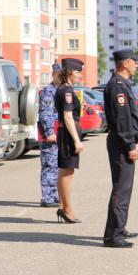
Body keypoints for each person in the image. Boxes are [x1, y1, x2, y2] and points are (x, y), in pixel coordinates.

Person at [103, 48, 138, 248]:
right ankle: (113, 236)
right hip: (121, 143)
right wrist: (130, 145)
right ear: (125, 63)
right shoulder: (118, 86)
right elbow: (121, 121)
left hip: (123, 142)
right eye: (134, 61)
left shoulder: (123, 85)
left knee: (124, 188)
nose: (137, 64)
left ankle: (119, 228)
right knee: (120, 189)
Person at [54, 58, 85, 224]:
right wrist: (76, 140)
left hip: (65, 133)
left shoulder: (66, 89)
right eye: (77, 72)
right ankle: (67, 210)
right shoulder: (66, 91)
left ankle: (62, 206)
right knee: (67, 172)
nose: (79, 75)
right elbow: (67, 117)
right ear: (69, 72)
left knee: (64, 172)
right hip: (67, 134)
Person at [38, 63, 63, 208]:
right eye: (59, 74)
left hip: (60, 133)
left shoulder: (63, 90)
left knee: (58, 166)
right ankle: (47, 197)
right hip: (51, 134)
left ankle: (55, 194)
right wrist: (49, 131)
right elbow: (46, 113)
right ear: (53, 74)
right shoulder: (49, 91)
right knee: (49, 165)